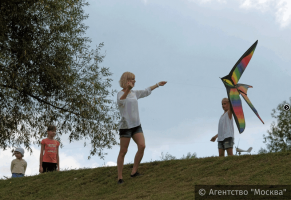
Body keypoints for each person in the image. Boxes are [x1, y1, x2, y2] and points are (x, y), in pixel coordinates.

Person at [116, 72, 167, 184]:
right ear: (127, 80)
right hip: (125, 127)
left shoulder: (134, 93)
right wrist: (128, 89)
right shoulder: (120, 94)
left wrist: (158, 84)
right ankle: (120, 177)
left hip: (136, 126)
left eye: (134, 79)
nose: (135, 81)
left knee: (142, 146)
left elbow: (146, 91)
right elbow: (121, 101)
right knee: (123, 151)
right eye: (133, 79)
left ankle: (134, 171)